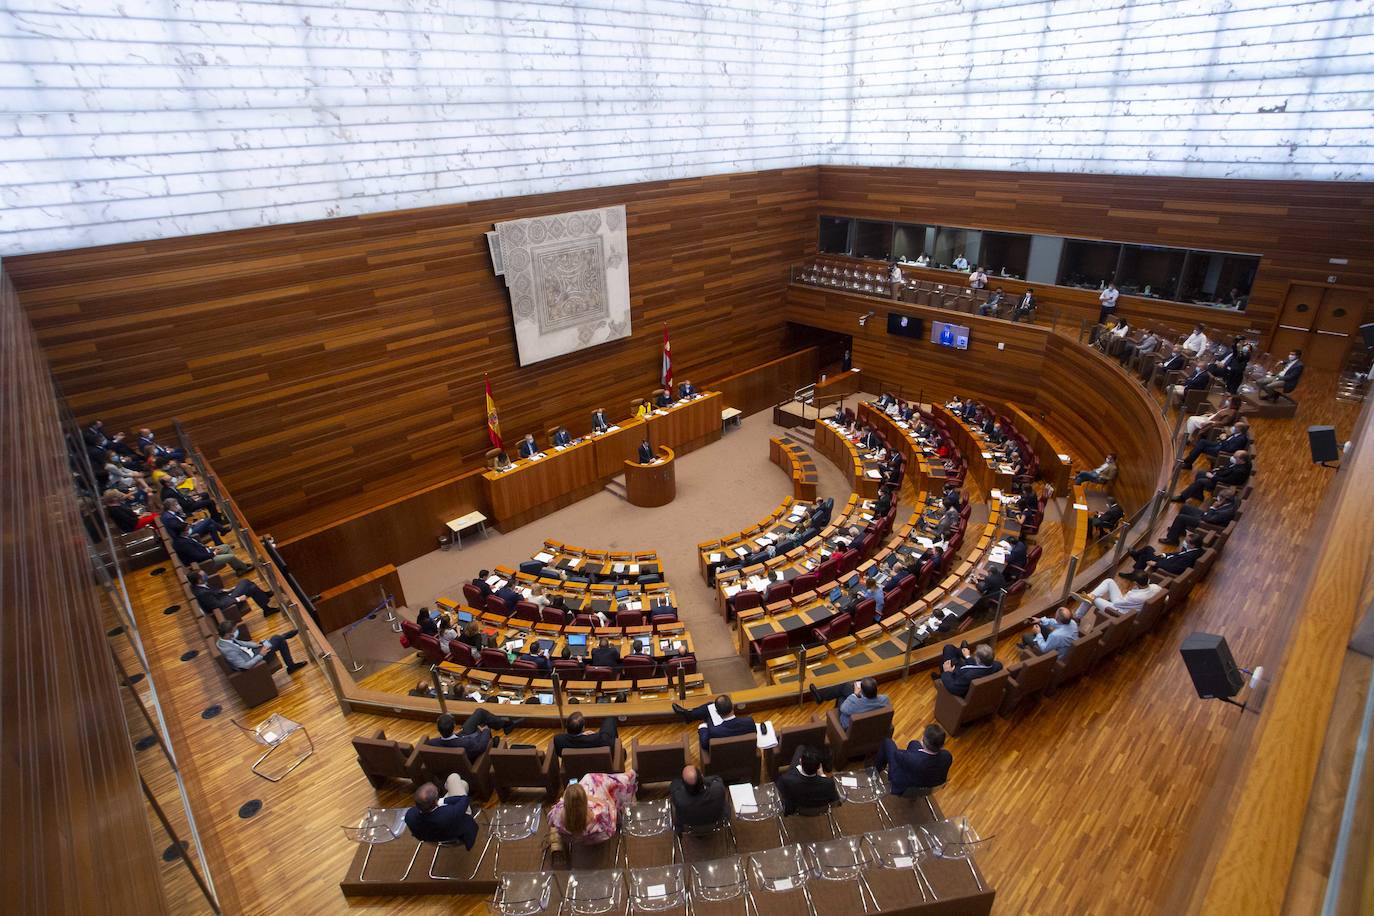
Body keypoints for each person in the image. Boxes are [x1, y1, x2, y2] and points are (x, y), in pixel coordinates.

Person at [550, 771, 639, 846]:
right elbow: (611, 828)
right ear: (584, 800)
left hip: (575, 839)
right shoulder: (600, 814)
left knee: (588, 779)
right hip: (598, 837)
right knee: (596, 781)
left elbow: (551, 820)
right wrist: (604, 799)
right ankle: (627, 778)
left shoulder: (557, 815)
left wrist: (570, 793)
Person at [872, 724, 952, 795]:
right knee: (914, 743)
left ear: (923, 740)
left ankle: (875, 772)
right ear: (942, 745)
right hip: (931, 784)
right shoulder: (948, 756)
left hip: (906, 787)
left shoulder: (911, 759)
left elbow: (897, 754)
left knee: (887, 742)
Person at [405, 778, 479, 849]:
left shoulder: (409, 816)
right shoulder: (449, 813)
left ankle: (450, 785)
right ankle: (448, 784)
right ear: (435, 801)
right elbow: (464, 799)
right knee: (455, 778)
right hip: (459, 832)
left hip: (433, 839)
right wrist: (442, 801)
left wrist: (439, 801)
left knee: (462, 784)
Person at [215, 619, 307, 674]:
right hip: (254, 661)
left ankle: (291, 665)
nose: (236, 632)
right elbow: (244, 666)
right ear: (228, 634)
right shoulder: (228, 651)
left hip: (252, 652)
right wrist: (261, 655)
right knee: (278, 639)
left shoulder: (224, 640)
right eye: (234, 630)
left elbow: (242, 643)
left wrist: (256, 644)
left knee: (278, 640)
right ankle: (289, 636)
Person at [672, 695, 756, 752]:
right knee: (710, 706)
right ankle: (688, 715)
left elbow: (705, 744)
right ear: (732, 707)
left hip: (720, 756)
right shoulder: (749, 722)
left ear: (717, 713)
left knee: (709, 708)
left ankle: (689, 715)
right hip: (742, 754)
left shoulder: (714, 731)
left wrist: (703, 728)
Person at [189, 569, 278, 619]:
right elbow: (217, 605)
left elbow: (213, 592)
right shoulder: (202, 593)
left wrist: (225, 590)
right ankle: (266, 605)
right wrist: (238, 599)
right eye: (203, 574)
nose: (206, 574)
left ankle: (266, 606)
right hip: (228, 605)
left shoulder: (198, 586)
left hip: (225, 597)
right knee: (248, 585)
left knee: (248, 585)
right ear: (199, 580)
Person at [775, 745, 840, 815]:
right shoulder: (829, 783)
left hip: (796, 810)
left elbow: (779, 794)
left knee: (800, 748)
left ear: (800, 762)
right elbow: (835, 801)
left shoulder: (786, 780)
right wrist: (822, 775)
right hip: (820, 810)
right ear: (819, 767)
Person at [807, 675, 891, 728]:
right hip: (869, 721)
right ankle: (820, 696)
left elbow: (844, 709)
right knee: (845, 687)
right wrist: (859, 696)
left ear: (862, 692)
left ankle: (821, 697)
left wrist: (855, 694)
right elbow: (870, 702)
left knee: (841, 696)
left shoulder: (855, 704)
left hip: (849, 725)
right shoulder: (885, 699)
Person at [426, 709, 520, 756]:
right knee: (484, 723)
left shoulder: (432, 743)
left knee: (480, 713)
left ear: (438, 730)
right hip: (470, 742)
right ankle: (506, 725)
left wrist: (456, 735)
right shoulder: (467, 743)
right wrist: (485, 731)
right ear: (454, 725)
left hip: (460, 736)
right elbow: (481, 747)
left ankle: (506, 724)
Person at [1075, 572, 1163, 620]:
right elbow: (1166, 598)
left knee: (1092, 600)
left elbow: (1117, 603)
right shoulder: (1156, 587)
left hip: (1121, 611)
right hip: (1128, 605)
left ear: (1136, 583)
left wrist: (1127, 593)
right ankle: (1091, 595)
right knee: (1109, 581)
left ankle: (1077, 616)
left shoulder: (1134, 596)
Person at [1160, 490, 1238, 545]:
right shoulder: (1230, 503)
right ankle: (1180, 530)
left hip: (1207, 523)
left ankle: (1172, 540)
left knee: (1181, 518)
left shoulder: (1226, 512)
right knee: (1185, 507)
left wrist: (1213, 507)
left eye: (1220, 497)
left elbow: (1209, 519)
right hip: (1209, 516)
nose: (1218, 499)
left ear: (1224, 499)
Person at [1173, 450, 1251, 503]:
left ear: (1241, 460)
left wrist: (1212, 477)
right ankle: (1198, 495)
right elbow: (1229, 468)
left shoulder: (1240, 471)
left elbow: (1228, 480)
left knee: (1200, 481)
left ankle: (1182, 498)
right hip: (1220, 476)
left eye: (1235, 457)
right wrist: (1219, 469)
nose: (1233, 458)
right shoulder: (1241, 463)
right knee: (1200, 473)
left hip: (1221, 484)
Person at [669, 765, 726, 834]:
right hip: (717, 821)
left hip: (688, 827)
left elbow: (674, 784)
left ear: (683, 785)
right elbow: (717, 778)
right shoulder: (718, 790)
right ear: (702, 777)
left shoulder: (678, 797)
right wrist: (702, 780)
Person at [936, 642, 1003, 696]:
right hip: (966, 670)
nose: (973, 655)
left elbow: (954, 688)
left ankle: (941, 675)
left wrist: (947, 672)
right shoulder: (998, 665)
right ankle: (961, 651)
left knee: (947, 653)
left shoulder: (968, 676)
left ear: (978, 660)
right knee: (949, 647)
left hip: (956, 676)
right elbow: (977, 666)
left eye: (975, 655)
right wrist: (967, 656)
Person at [173, 533, 254, 575]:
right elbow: (198, 557)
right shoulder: (183, 544)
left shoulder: (185, 538)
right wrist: (214, 553)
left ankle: (238, 569)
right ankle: (243, 568)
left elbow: (199, 546)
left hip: (207, 552)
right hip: (207, 560)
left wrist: (211, 548)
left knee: (225, 547)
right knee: (231, 557)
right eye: (187, 530)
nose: (188, 530)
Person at [1180, 422, 1249, 469]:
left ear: (1239, 429)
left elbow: (1229, 449)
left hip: (1221, 450)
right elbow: (1229, 440)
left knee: (1200, 447)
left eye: (1235, 427)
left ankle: (1188, 463)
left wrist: (1223, 439)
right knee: (1202, 442)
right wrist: (1224, 436)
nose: (1233, 428)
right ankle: (1188, 461)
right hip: (1220, 445)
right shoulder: (1237, 434)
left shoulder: (1241, 439)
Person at [552, 710, 620, 758]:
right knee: (610, 720)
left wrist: (583, 735)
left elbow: (560, 754)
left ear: (567, 726)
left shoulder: (558, 739)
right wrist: (594, 734)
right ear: (583, 728)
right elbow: (608, 741)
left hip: (573, 767)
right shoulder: (598, 738)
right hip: (598, 765)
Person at [159, 498, 227, 546]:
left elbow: (181, 524)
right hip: (188, 535)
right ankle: (222, 530)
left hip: (188, 529)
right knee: (208, 520)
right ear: (171, 506)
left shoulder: (169, 514)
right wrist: (191, 525)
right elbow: (180, 529)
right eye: (177, 504)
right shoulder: (169, 518)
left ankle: (220, 544)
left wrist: (193, 524)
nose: (178, 506)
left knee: (211, 526)